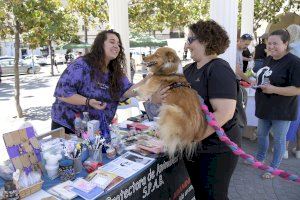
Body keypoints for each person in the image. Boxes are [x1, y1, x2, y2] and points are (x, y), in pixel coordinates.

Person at [152, 20, 241, 200]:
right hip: (194, 148)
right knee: (201, 194)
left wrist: (192, 136)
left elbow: (224, 113)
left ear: (206, 41)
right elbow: (167, 97)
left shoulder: (219, 69)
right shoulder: (189, 70)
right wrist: (157, 97)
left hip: (216, 150)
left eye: (191, 40)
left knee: (213, 196)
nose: (187, 45)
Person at [51, 30, 148, 134]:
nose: (116, 46)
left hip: (95, 131)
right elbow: (62, 93)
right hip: (68, 127)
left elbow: (127, 91)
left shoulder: (115, 72)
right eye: (112, 42)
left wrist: (147, 81)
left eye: (118, 44)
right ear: (100, 45)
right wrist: (88, 101)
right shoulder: (81, 65)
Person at [254, 29, 300, 179]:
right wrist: (255, 82)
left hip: (282, 110)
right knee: (261, 135)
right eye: (269, 43)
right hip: (265, 107)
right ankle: (260, 159)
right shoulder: (269, 59)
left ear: (286, 44)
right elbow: (266, 78)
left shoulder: (294, 62)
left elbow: (297, 90)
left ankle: (273, 169)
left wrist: (273, 89)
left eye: (275, 43)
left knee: (279, 140)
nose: (271, 46)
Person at [285, 24, 300, 159]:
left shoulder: (291, 48)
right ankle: (298, 150)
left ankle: (284, 148)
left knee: (291, 117)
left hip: (292, 88)